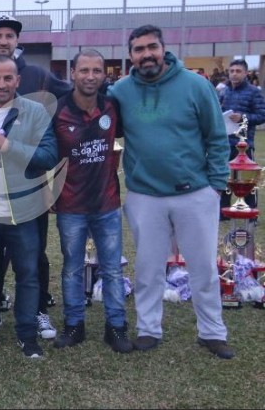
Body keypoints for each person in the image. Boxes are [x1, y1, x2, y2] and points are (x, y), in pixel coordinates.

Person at [109, 24, 235, 359]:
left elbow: (217, 137)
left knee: (204, 268)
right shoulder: (121, 91)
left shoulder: (195, 85)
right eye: (139, 49)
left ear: (163, 49)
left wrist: (216, 186)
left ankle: (212, 332)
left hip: (195, 192)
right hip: (144, 194)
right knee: (148, 269)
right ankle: (149, 329)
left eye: (152, 47)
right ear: (130, 55)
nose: (146, 54)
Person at [0, 14, 70, 339]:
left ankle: (34, 316)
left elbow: (65, 105)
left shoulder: (38, 78)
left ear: (18, 79)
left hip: (26, 200)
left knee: (31, 264)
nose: (2, 83)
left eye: (10, 35)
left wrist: (13, 145)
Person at [52, 49, 132, 353]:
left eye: (96, 71)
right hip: (70, 206)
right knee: (72, 268)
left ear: (104, 75)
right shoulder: (58, 110)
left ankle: (117, 327)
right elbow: (48, 155)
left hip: (107, 203)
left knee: (112, 269)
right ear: (73, 73)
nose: (90, 76)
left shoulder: (112, 107)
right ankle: (74, 325)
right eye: (83, 70)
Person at [219, 59, 265, 213]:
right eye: (232, 71)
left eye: (238, 71)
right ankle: (224, 210)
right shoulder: (224, 91)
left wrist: (243, 117)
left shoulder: (254, 92)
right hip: (225, 143)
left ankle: (250, 211)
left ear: (245, 73)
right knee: (225, 178)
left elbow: (261, 115)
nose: (234, 74)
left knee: (247, 180)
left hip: (244, 144)